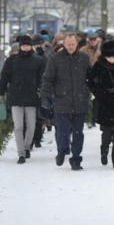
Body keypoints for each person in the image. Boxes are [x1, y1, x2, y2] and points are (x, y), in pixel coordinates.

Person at [40, 33, 90, 170]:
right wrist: (44, 96)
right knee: (62, 131)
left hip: (80, 101)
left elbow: (90, 77)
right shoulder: (55, 59)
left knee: (78, 133)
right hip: (62, 102)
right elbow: (48, 78)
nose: (71, 47)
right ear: (64, 44)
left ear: (77, 44)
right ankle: (62, 150)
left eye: (73, 44)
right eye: (68, 44)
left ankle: (76, 159)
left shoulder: (84, 58)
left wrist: (90, 91)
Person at [0, 35, 46, 164]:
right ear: (20, 46)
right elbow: (5, 76)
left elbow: (42, 77)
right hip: (15, 97)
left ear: (31, 46)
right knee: (18, 126)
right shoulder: (12, 60)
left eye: (27, 45)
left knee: (31, 126)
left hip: (32, 97)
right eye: (23, 45)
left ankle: (26, 147)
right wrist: (1, 90)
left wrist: (40, 89)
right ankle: (21, 153)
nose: (25, 47)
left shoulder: (38, 60)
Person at [87, 40, 114, 169]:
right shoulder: (99, 65)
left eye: (113, 56)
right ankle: (104, 150)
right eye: (108, 57)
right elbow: (91, 82)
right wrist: (103, 93)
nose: (111, 59)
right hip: (105, 104)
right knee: (106, 134)